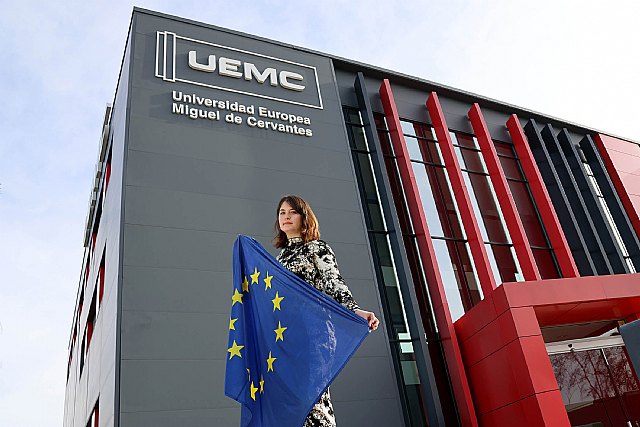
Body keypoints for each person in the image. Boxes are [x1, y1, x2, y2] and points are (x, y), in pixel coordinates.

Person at [274, 195, 379, 427]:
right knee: (293, 405)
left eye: (292, 212)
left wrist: (355, 310)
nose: (286, 216)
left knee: (313, 402)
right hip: (286, 339)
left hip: (314, 335)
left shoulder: (316, 248)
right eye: (282, 212)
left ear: (304, 217)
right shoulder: (279, 259)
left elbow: (334, 283)